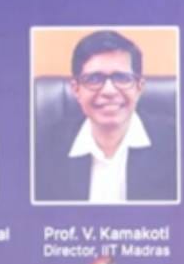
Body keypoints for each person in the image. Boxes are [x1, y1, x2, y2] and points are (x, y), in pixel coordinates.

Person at [35, 30, 176, 202]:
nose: (109, 91)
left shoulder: (176, 143)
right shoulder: (42, 148)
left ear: (139, 88)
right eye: (94, 79)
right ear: (76, 89)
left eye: (122, 78)